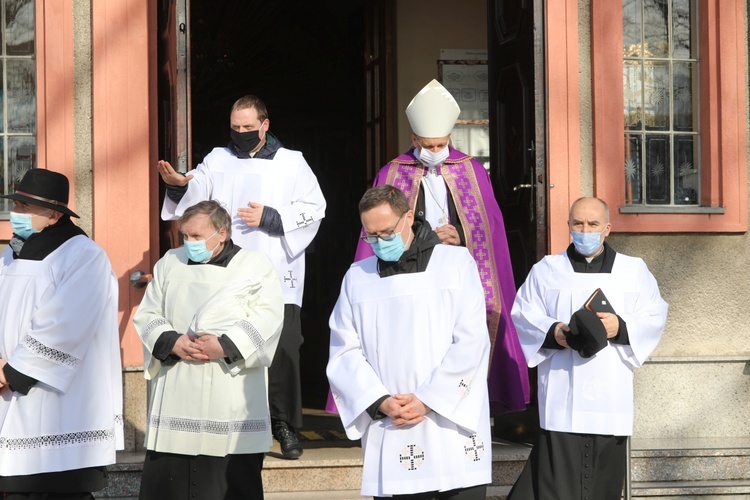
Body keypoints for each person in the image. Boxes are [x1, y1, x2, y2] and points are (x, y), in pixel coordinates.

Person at [327, 79, 529, 415]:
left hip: (456, 273)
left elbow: (490, 231)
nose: (435, 151)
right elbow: (380, 230)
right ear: (414, 139)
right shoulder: (393, 172)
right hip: (410, 277)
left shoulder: (472, 170)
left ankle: (469, 402)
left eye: (440, 144)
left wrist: (462, 237)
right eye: (427, 144)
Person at [158, 95, 326, 458]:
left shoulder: (292, 163)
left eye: (249, 128)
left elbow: (315, 208)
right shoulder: (218, 160)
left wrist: (271, 217)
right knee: (230, 341)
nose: (242, 134)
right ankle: (232, 421)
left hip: (278, 267)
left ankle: (284, 424)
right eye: (236, 128)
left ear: (265, 124)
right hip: (226, 272)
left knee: (282, 348)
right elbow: (194, 198)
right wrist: (177, 185)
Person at [327, 185, 492, 499]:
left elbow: (471, 341)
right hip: (390, 422)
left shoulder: (455, 264)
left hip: (449, 423)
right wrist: (379, 401)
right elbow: (344, 349)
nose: (379, 242)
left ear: (408, 218)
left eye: (387, 232)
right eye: (370, 236)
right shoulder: (357, 277)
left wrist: (428, 399)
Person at [507, 197, 669, 499]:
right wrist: (554, 332)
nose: (585, 230)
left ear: (607, 228)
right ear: (568, 226)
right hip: (560, 395)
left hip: (610, 397)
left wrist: (619, 327)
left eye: (593, 224)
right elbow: (523, 315)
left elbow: (654, 314)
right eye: (578, 223)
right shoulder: (546, 270)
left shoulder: (633, 271)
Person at [133, 200, 284, 499]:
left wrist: (226, 345)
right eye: (185, 236)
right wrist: (172, 341)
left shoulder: (255, 265)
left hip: (229, 387)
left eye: (197, 237)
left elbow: (269, 316)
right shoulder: (168, 263)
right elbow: (148, 314)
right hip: (178, 385)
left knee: (230, 481)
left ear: (222, 232)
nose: (190, 243)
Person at [0, 169, 123, 499]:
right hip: (8, 391)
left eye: (27, 208)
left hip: (57, 401)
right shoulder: (11, 254)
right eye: (17, 206)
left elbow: (65, 325)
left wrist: (12, 372)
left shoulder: (82, 255)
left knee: (57, 489)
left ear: (54, 214)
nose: (18, 215)